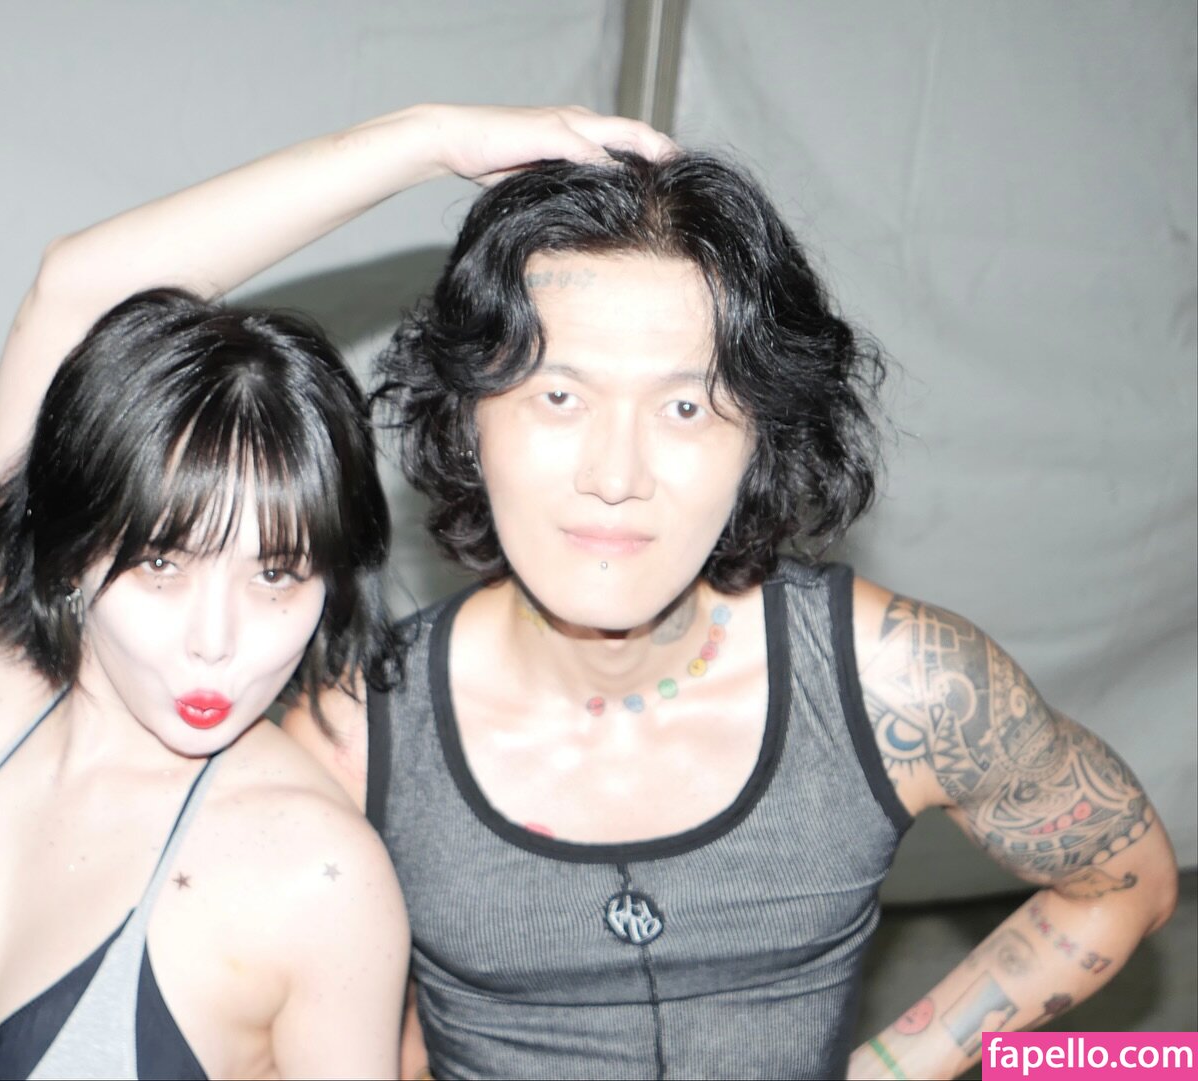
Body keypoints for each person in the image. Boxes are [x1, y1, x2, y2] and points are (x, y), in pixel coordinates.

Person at [283, 149, 1181, 1078]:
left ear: (762, 439)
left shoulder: (899, 680)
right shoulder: (354, 737)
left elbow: (1124, 881)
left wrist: (887, 1070)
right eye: (560, 395)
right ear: (471, 416)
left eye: (684, 406)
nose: (615, 476)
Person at [0, 104, 674, 1080]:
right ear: (70, 551)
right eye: (163, 564)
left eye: (276, 573)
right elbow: (71, 288)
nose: (217, 641)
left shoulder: (314, 874)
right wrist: (429, 140)